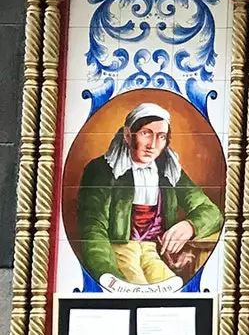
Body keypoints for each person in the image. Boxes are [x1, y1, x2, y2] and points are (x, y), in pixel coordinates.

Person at [76, 102, 223, 292]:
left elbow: (212, 212)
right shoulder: (101, 170)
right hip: (118, 253)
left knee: (172, 290)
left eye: (161, 137)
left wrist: (190, 226)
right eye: (146, 133)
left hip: (152, 253)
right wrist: (107, 274)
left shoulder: (169, 171)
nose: (153, 145)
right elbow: (92, 231)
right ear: (128, 135)